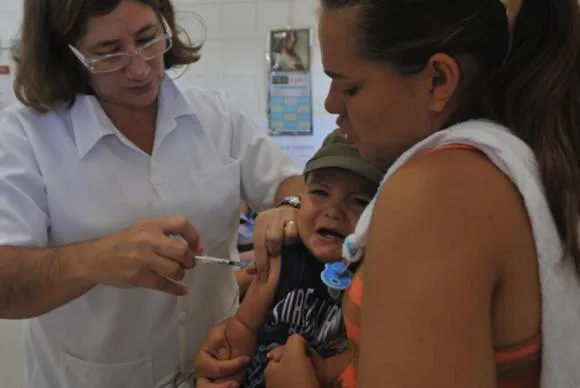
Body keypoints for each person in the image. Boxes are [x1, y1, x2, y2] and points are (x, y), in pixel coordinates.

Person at [194, 0, 580, 387]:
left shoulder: (434, 193)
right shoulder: (495, 167)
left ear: (438, 81)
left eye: (350, 86)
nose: (331, 104)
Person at [0, 1, 304, 387]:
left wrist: (288, 206)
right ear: (66, 54)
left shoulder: (215, 116)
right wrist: (94, 260)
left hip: (220, 373)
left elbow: (291, 185)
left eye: (148, 39)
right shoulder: (25, 136)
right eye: (108, 52)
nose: (140, 68)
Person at [198, 129, 383, 388]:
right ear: (299, 199)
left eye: (359, 201)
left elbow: (365, 350)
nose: (333, 211)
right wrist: (232, 368)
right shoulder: (282, 258)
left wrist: (326, 369)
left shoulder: (371, 276)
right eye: (320, 192)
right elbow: (244, 323)